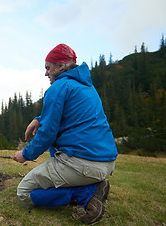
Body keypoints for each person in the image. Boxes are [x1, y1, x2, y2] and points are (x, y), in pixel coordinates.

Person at [12, 43, 118, 224]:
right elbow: (68, 115)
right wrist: (39, 118)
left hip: (83, 164)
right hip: (107, 164)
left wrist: (25, 154)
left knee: (24, 193)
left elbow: (47, 134)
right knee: (55, 151)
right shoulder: (86, 87)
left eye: (48, 68)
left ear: (60, 66)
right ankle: (93, 185)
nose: (46, 73)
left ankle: (87, 194)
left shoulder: (58, 88)